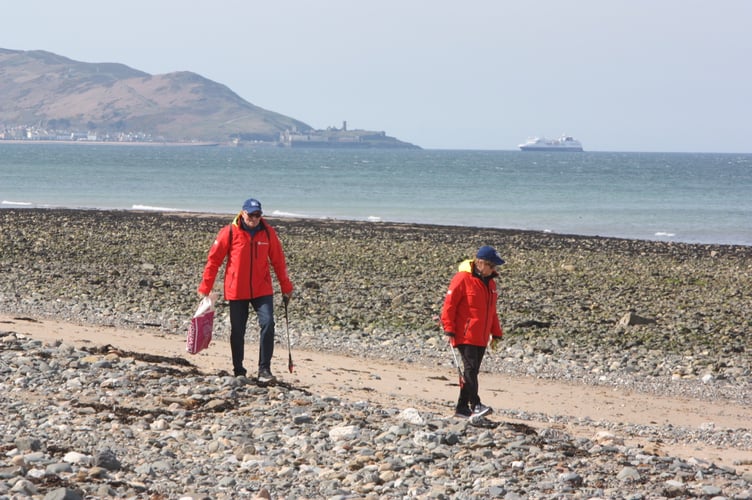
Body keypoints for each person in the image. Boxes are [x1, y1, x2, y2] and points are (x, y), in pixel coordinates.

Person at [198, 198, 293, 382]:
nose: (254, 218)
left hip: (262, 290)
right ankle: (239, 369)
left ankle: (264, 369)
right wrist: (205, 287)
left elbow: (278, 262)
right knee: (238, 330)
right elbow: (214, 261)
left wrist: (286, 287)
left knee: (268, 323)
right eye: (251, 214)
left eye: (258, 215)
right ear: (243, 213)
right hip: (237, 291)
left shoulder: (268, 233)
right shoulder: (229, 232)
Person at [441, 245, 505, 418]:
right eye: (492, 266)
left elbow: (492, 311)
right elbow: (449, 305)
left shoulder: (490, 283)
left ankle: (462, 408)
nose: (495, 269)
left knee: (472, 371)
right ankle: (475, 404)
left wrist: (496, 332)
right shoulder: (462, 278)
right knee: (469, 370)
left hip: (481, 336)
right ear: (481, 263)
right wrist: (449, 328)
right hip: (465, 333)